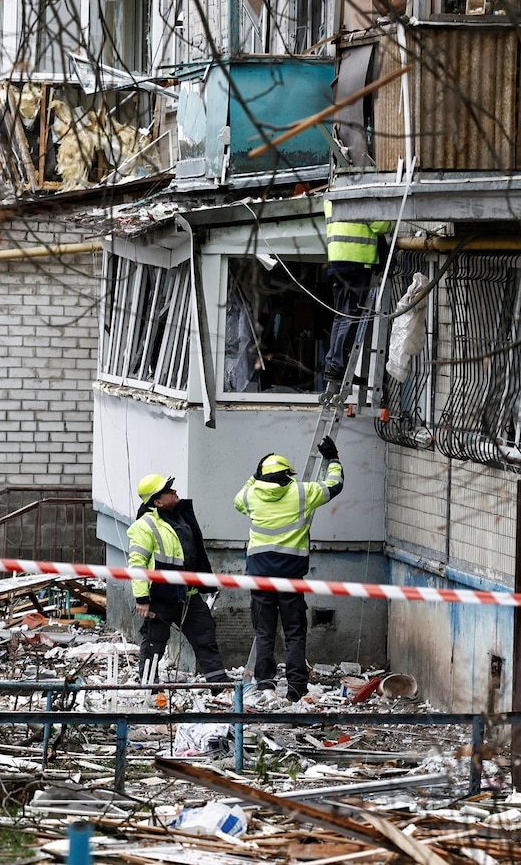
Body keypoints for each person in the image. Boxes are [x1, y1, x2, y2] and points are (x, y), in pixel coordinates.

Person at [233, 437, 344, 703]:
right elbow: (335, 484)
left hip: (260, 576)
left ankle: (265, 684)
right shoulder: (302, 492)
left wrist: (255, 475)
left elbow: (239, 497)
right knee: (294, 633)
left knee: (264, 632)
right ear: (287, 475)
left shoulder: (249, 495)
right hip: (291, 576)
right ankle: (296, 688)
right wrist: (333, 458)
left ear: (262, 476)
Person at [127, 474, 226, 686]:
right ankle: (149, 686)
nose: (174, 491)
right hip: (161, 597)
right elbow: (137, 564)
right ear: (158, 502)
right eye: (168, 490)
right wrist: (142, 598)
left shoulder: (183, 517)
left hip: (189, 595)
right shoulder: (145, 526)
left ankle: (218, 684)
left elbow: (196, 554)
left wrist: (207, 582)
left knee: (205, 636)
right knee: (154, 643)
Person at [321, 198, 393, 400]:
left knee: (340, 315)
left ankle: (334, 363)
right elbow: (381, 225)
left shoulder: (333, 195)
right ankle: (338, 365)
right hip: (356, 260)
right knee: (350, 316)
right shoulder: (359, 195)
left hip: (338, 260)